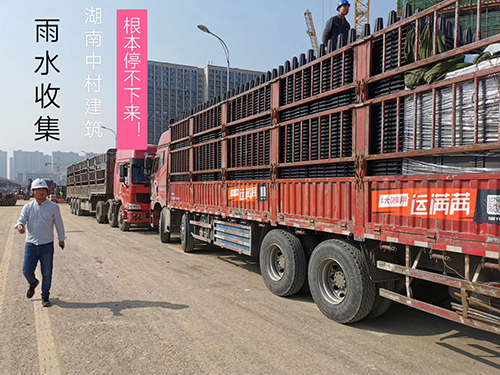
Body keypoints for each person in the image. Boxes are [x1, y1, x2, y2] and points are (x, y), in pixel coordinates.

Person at [14, 178, 66, 307]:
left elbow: (59, 224)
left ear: (47, 191)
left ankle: (45, 296)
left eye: (43, 190)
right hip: (31, 244)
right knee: (26, 271)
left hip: (46, 245)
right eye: (38, 190)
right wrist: (20, 226)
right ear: (33, 192)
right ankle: (33, 283)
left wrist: (61, 239)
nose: (41, 192)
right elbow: (22, 219)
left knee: (47, 273)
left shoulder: (53, 207)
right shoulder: (28, 207)